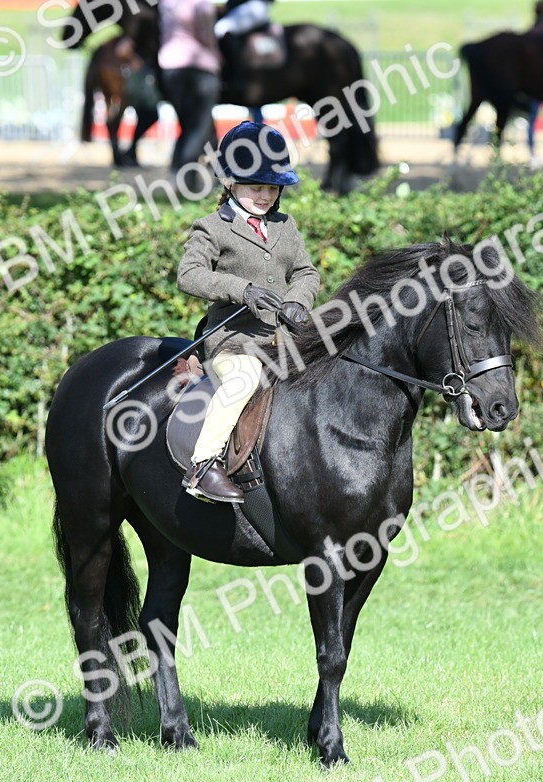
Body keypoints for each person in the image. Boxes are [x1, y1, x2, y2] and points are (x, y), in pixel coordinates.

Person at [176, 121, 320, 504]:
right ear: (231, 184)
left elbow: (306, 271)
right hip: (234, 345)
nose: (264, 195)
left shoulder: (285, 226)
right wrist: (242, 290)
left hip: (285, 340)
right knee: (244, 379)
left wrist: (298, 301)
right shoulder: (212, 228)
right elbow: (188, 275)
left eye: (272, 187)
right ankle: (204, 465)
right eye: (256, 186)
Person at [159, 0, 221, 186]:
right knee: (199, 127)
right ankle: (186, 180)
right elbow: (208, 37)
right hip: (201, 69)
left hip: (169, 68)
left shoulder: (165, 4)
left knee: (187, 126)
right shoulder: (202, 4)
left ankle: (175, 174)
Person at [214, 0, 275, 100]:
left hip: (255, 5)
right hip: (247, 5)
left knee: (220, 29)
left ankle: (236, 78)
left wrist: (228, 7)